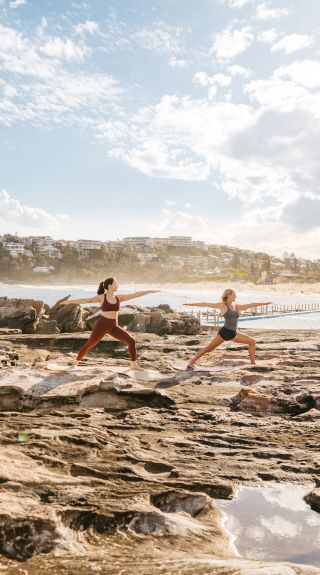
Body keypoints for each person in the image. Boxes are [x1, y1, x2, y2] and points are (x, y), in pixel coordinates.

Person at [60, 277, 159, 369]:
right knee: (90, 344)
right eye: (116, 283)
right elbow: (85, 300)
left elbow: (134, 295)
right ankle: (75, 363)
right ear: (110, 285)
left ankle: (133, 364)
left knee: (131, 341)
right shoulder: (101, 297)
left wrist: (147, 291)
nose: (118, 285)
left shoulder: (118, 298)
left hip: (113, 326)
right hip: (102, 325)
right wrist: (69, 302)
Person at [183, 288, 272, 370]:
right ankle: (191, 363)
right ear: (228, 295)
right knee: (208, 348)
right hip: (225, 333)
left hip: (233, 334)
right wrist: (191, 304)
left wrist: (265, 303)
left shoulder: (236, 307)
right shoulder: (223, 306)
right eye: (234, 295)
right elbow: (206, 304)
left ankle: (253, 363)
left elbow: (251, 305)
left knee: (252, 342)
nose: (236, 296)